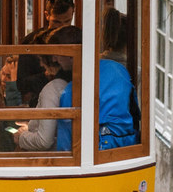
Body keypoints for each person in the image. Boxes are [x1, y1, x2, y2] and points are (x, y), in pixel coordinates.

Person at [57, 10, 140, 151]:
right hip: (126, 145)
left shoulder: (71, 89)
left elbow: (66, 142)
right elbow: (136, 111)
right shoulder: (122, 71)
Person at [14, 25, 79, 151]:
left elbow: (44, 141)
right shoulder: (74, 83)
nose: (39, 64)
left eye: (39, 58)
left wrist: (21, 137)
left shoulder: (54, 88)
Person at [17, 0, 75, 107]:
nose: (62, 27)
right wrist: (46, 76)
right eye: (57, 22)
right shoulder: (32, 42)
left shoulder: (78, 40)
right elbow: (22, 84)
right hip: (39, 107)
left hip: (72, 104)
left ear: (73, 13)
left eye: (67, 21)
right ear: (47, 15)